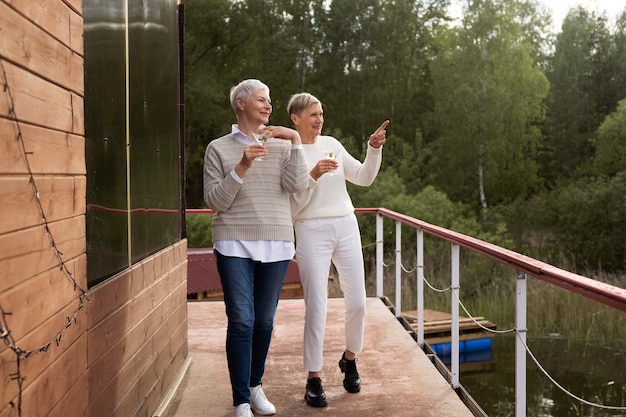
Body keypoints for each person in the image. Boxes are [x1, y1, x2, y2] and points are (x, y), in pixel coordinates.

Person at [203, 79, 309, 417]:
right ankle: (241, 401)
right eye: (261, 99)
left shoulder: (283, 145)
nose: (268, 105)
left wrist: (294, 140)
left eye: (270, 100)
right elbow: (215, 201)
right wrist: (243, 165)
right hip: (233, 241)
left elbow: (297, 187)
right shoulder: (218, 148)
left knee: (264, 321)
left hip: (277, 241)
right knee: (242, 320)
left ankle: (255, 386)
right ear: (241, 104)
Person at [287, 92, 389, 407]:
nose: (319, 119)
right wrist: (314, 174)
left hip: (345, 224)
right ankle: (313, 378)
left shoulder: (332, 142)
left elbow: (363, 177)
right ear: (295, 118)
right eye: (313, 114)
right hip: (309, 229)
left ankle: (350, 359)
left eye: (321, 113)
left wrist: (373, 150)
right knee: (317, 306)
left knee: (357, 301)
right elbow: (293, 205)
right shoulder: (288, 152)